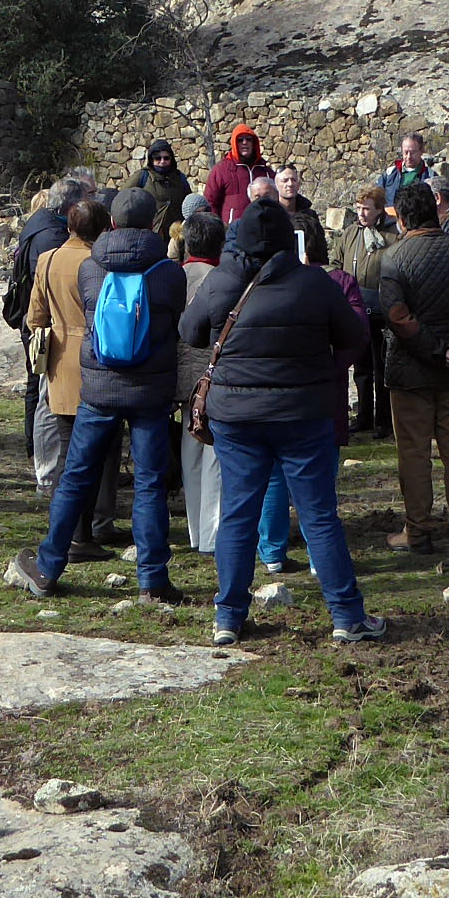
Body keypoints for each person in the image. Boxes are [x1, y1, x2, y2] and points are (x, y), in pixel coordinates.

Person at [180, 201, 380, 645]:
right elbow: (353, 337)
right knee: (319, 515)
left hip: (237, 418)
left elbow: (189, 331)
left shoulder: (222, 281)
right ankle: (347, 616)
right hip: (303, 414)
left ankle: (228, 618)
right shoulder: (314, 283)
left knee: (237, 514)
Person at [9, 188, 187, 602]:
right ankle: (154, 580)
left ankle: (49, 566)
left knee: (75, 475)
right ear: (154, 224)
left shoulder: (91, 269)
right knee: (149, 484)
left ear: (112, 224)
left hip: (99, 388)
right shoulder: (169, 274)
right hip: (150, 390)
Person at [376, 180, 449, 555]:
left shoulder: (395, 257)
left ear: (404, 217)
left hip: (412, 369)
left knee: (414, 452)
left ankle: (419, 530)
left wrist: (434, 349)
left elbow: (397, 316)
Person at [255, 210, 366, 575]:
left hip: (278, 393)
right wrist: (329, 369)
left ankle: (275, 551)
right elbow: (355, 335)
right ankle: (310, 556)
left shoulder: (261, 282)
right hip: (319, 395)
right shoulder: (337, 283)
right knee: (315, 482)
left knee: (278, 475)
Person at [26, 197, 113, 549]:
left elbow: (35, 318)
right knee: (100, 455)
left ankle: (68, 530)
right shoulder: (101, 263)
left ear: (69, 226)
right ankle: (87, 531)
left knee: (68, 453)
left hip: (61, 363)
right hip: (99, 362)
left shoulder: (47, 261)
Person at [10, 176, 86, 469]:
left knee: (39, 389)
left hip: (39, 322)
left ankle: (40, 456)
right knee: (44, 396)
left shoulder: (39, 224)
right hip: (50, 327)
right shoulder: (52, 237)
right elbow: (53, 286)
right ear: (72, 206)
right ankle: (45, 462)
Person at [176, 210, 226, 552]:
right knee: (214, 455)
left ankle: (196, 529)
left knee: (189, 450)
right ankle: (211, 534)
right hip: (210, 379)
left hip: (181, 377)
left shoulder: (173, 276)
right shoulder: (222, 280)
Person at [338, 187, 393, 436]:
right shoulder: (350, 234)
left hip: (382, 310)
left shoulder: (392, 236)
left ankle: (383, 420)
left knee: (381, 366)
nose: (361, 213)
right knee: (361, 367)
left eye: (367, 209)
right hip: (355, 309)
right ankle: (363, 417)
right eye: (359, 208)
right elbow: (337, 263)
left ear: (379, 210)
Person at [204, 123, 275, 226]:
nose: (244, 143)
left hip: (264, 227)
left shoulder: (264, 170)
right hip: (232, 230)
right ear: (234, 143)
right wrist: (217, 228)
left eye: (248, 139)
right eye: (240, 140)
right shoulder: (221, 170)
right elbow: (210, 202)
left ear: (253, 143)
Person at [133, 141, 194, 230]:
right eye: (158, 158)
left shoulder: (179, 178)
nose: (162, 162)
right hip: (150, 232)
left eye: (166, 158)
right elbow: (125, 199)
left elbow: (189, 202)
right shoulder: (143, 176)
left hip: (176, 233)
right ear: (152, 160)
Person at [376, 132, 434, 210]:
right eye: (406, 152)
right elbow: (376, 197)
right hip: (390, 220)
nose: (409, 157)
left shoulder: (430, 177)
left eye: (413, 153)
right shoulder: (389, 174)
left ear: (421, 151)